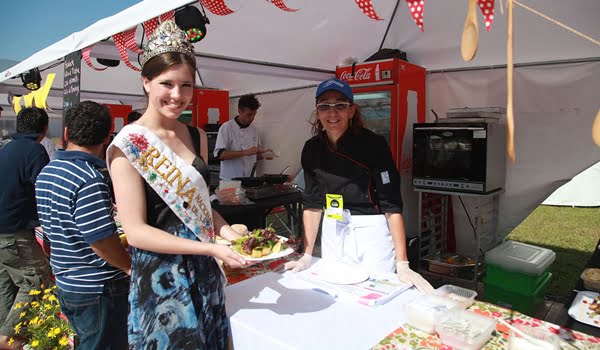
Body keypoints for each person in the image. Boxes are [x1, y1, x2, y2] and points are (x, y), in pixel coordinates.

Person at [106, 20, 247, 349]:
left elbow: (201, 204)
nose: (177, 95)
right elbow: (136, 231)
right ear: (146, 82)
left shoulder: (195, 134)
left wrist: (228, 235)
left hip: (204, 267)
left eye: (186, 85)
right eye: (166, 84)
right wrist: (210, 247)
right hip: (161, 277)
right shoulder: (128, 145)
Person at [283, 78, 433, 294]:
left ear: (352, 111)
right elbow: (313, 204)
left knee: (377, 296)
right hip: (333, 230)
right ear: (317, 112)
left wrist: (402, 264)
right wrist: (306, 254)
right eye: (324, 106)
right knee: (335, 295)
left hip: (371, 235)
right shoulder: (312, 149)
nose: (332, 113)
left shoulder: (373, 145)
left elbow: (391, 205)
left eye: (340, 106)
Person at [35, 101, 131, 349]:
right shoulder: (90, 179)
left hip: (68, 280)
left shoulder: (48, 170)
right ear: (107, 137)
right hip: (97, 286)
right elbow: (100, 241)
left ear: (66, 133)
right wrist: (129, 267)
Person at [0, 107, 50, 349]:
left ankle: (6, 333)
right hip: (14, 232)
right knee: (36, 278)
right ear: (43, 130)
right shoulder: (35, 150)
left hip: (3, 231)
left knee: (7, 284)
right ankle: (8, 339)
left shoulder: (6, 148)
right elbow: (44, 192)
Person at [214, 94, 272, 180]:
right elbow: (220, 155)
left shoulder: (254, 129)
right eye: (249, 114)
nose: (252, 118)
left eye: (254, 114)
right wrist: (246, 152)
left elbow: (253, 155)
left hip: (250, 179)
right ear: (239, 111)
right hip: (230, 179)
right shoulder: (227, 127)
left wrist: (264, 155)